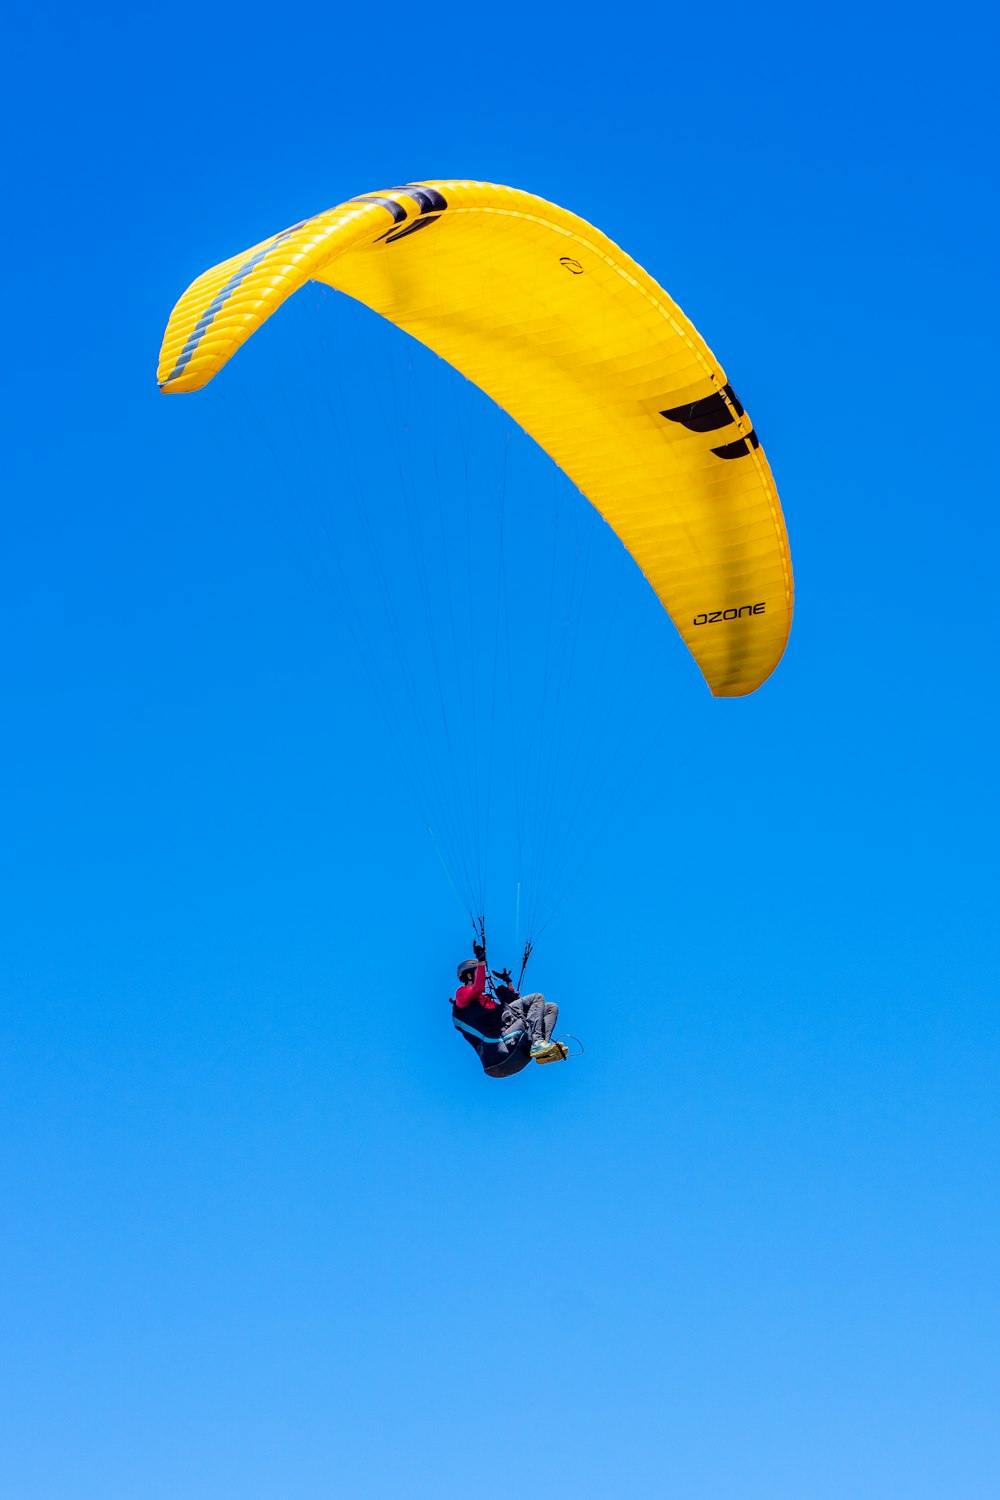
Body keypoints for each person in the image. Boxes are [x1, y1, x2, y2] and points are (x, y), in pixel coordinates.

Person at [451, 943, 568, 1077]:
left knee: (551, 1008)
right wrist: (482, 961)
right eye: (478, 972)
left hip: (506, 1029)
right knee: (537, 997)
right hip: (499, 1039)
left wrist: (508, 983)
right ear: (470, 976)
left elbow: (511, 1007)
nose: (483, 974)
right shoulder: (461, 993)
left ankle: (542, 1049)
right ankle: (537, 1042)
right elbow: (478, 988)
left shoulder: (486, 1002)